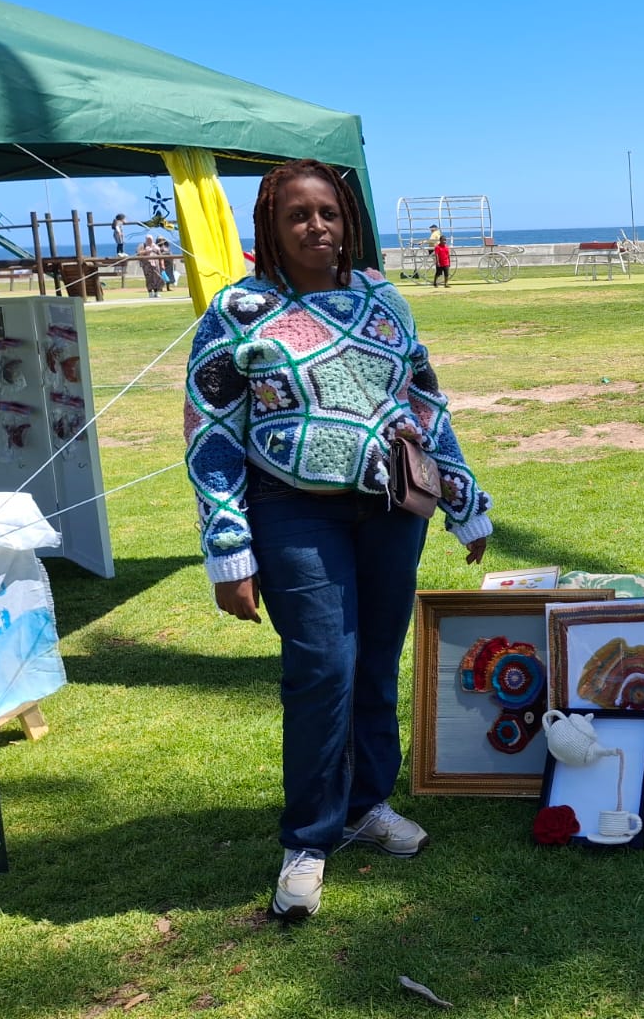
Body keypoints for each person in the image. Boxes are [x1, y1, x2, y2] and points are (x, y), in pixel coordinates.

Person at [184, 158, 492, 922]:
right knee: (323, 667)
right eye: (298, 215)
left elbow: (426, 404)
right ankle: (309, 838)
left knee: (377, 664)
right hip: (293, 510)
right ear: (271, 226)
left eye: (328, 212)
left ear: (347, 220)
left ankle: (365, 805)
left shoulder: (383, 300)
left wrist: (463, 501)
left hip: (391, 508)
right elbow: (212, 434)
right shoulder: (238, 311)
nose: (315, 226)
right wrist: (228, 548)